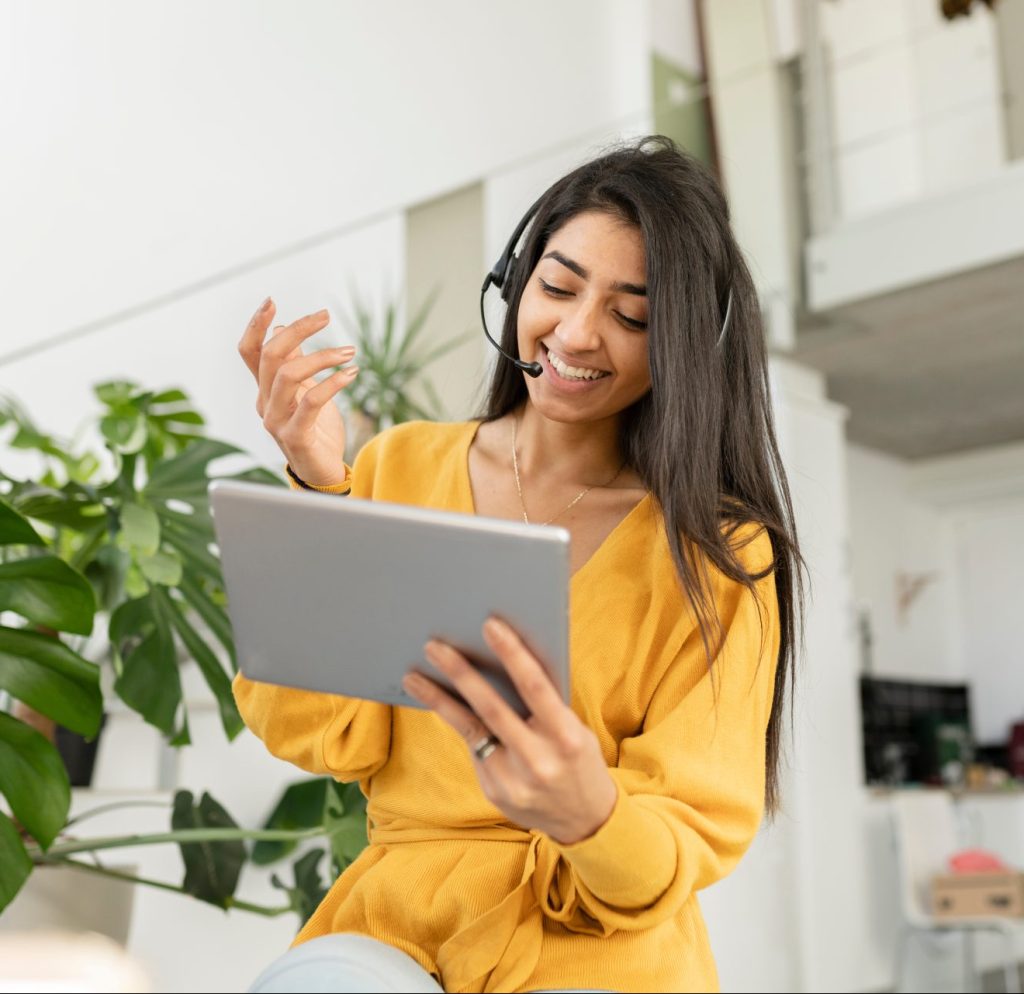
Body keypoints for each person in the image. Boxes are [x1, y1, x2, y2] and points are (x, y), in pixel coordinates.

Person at [233, 135, 802, 994]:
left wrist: (592, 815)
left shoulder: (716, 552)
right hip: (394, 933)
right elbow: (312, 731)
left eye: (632, 315)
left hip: (599, 946)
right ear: (517, 283)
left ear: (684, 344)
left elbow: (682, 840)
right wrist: (320, 491)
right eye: (559, 287)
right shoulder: (399, 467)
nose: (575, 333)